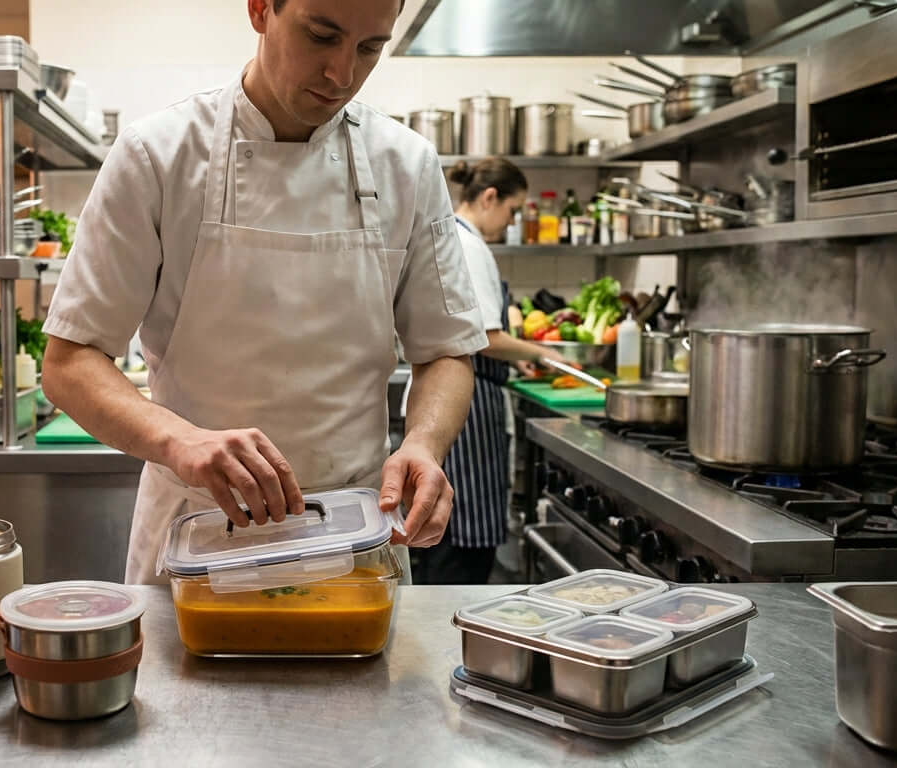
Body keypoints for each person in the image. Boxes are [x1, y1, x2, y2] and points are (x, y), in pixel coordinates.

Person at [41, 0, 487, 584]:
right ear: (259, 9)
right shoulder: (159, 155)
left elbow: (446, 350)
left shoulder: (406, 164)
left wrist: (424, 445)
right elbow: (69, 363)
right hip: (198, 536)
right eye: (321, 35)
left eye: (370, 48)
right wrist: (180, 440)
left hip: (352, 541)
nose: (342, 74)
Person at [415, 158, 571, 584]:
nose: (512, 220)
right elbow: (487, 337)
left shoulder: (455, 237)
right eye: (513, 209)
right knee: (462, 545)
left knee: (447, 535)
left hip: (466, 398)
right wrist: (542, 354)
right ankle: (448, 637)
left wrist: (519, 355)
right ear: (489, 198)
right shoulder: (468, 245)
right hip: (468, 405)